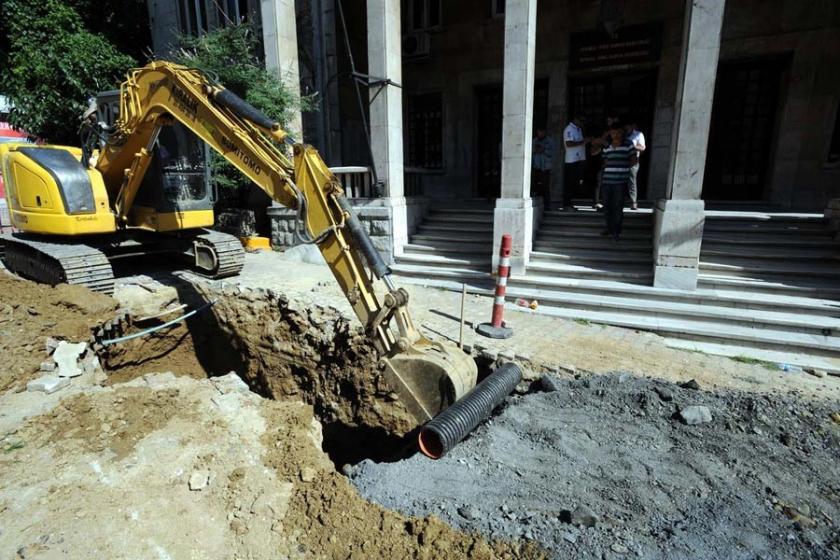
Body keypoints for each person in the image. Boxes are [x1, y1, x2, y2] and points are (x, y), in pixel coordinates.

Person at [600, 122, 637, 241]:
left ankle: (616, 231)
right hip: (607, 182)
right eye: (613, 132)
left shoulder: (628, 144)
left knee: (617, 207)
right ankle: (609, 228)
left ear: (622, 133)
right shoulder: (607, 146)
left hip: (620, 183)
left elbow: (633, 160)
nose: (615, 135)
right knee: (607, 207)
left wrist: (623, 169)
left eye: (617, 132)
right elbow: (605, 162)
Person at [562, 115, 588, 210]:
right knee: (569, 183)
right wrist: (582, 142)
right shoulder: (569, 129)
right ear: (575, 119)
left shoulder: (578, 129)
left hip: (578, 159)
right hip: (571, 160)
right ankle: (566, 204)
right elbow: (569, 144)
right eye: (581, 120)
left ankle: (570, 204)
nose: (582, 123)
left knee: (574, 183)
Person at [531, 127, 557, 208]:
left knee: (545, 187)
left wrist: (543, 150)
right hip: (536, 166)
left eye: (542, 132)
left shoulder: (550, 141)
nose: (540, 134)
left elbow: (553, 153)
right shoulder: (534, 141)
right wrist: (535, 150)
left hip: (546, 167)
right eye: (539, 132)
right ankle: (536, 205)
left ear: (545, 132)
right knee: (536, 187)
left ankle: (547, 206)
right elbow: (530, 152)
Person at [624, 119, 646, 210]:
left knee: (632, 180)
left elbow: (642, 148)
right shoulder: (622, 134)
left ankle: (633, 202)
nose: (626, 128)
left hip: (633, 160)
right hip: (621, 160)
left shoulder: (638, 134)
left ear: (632, 126)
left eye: (628, 126)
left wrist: (632, 146)